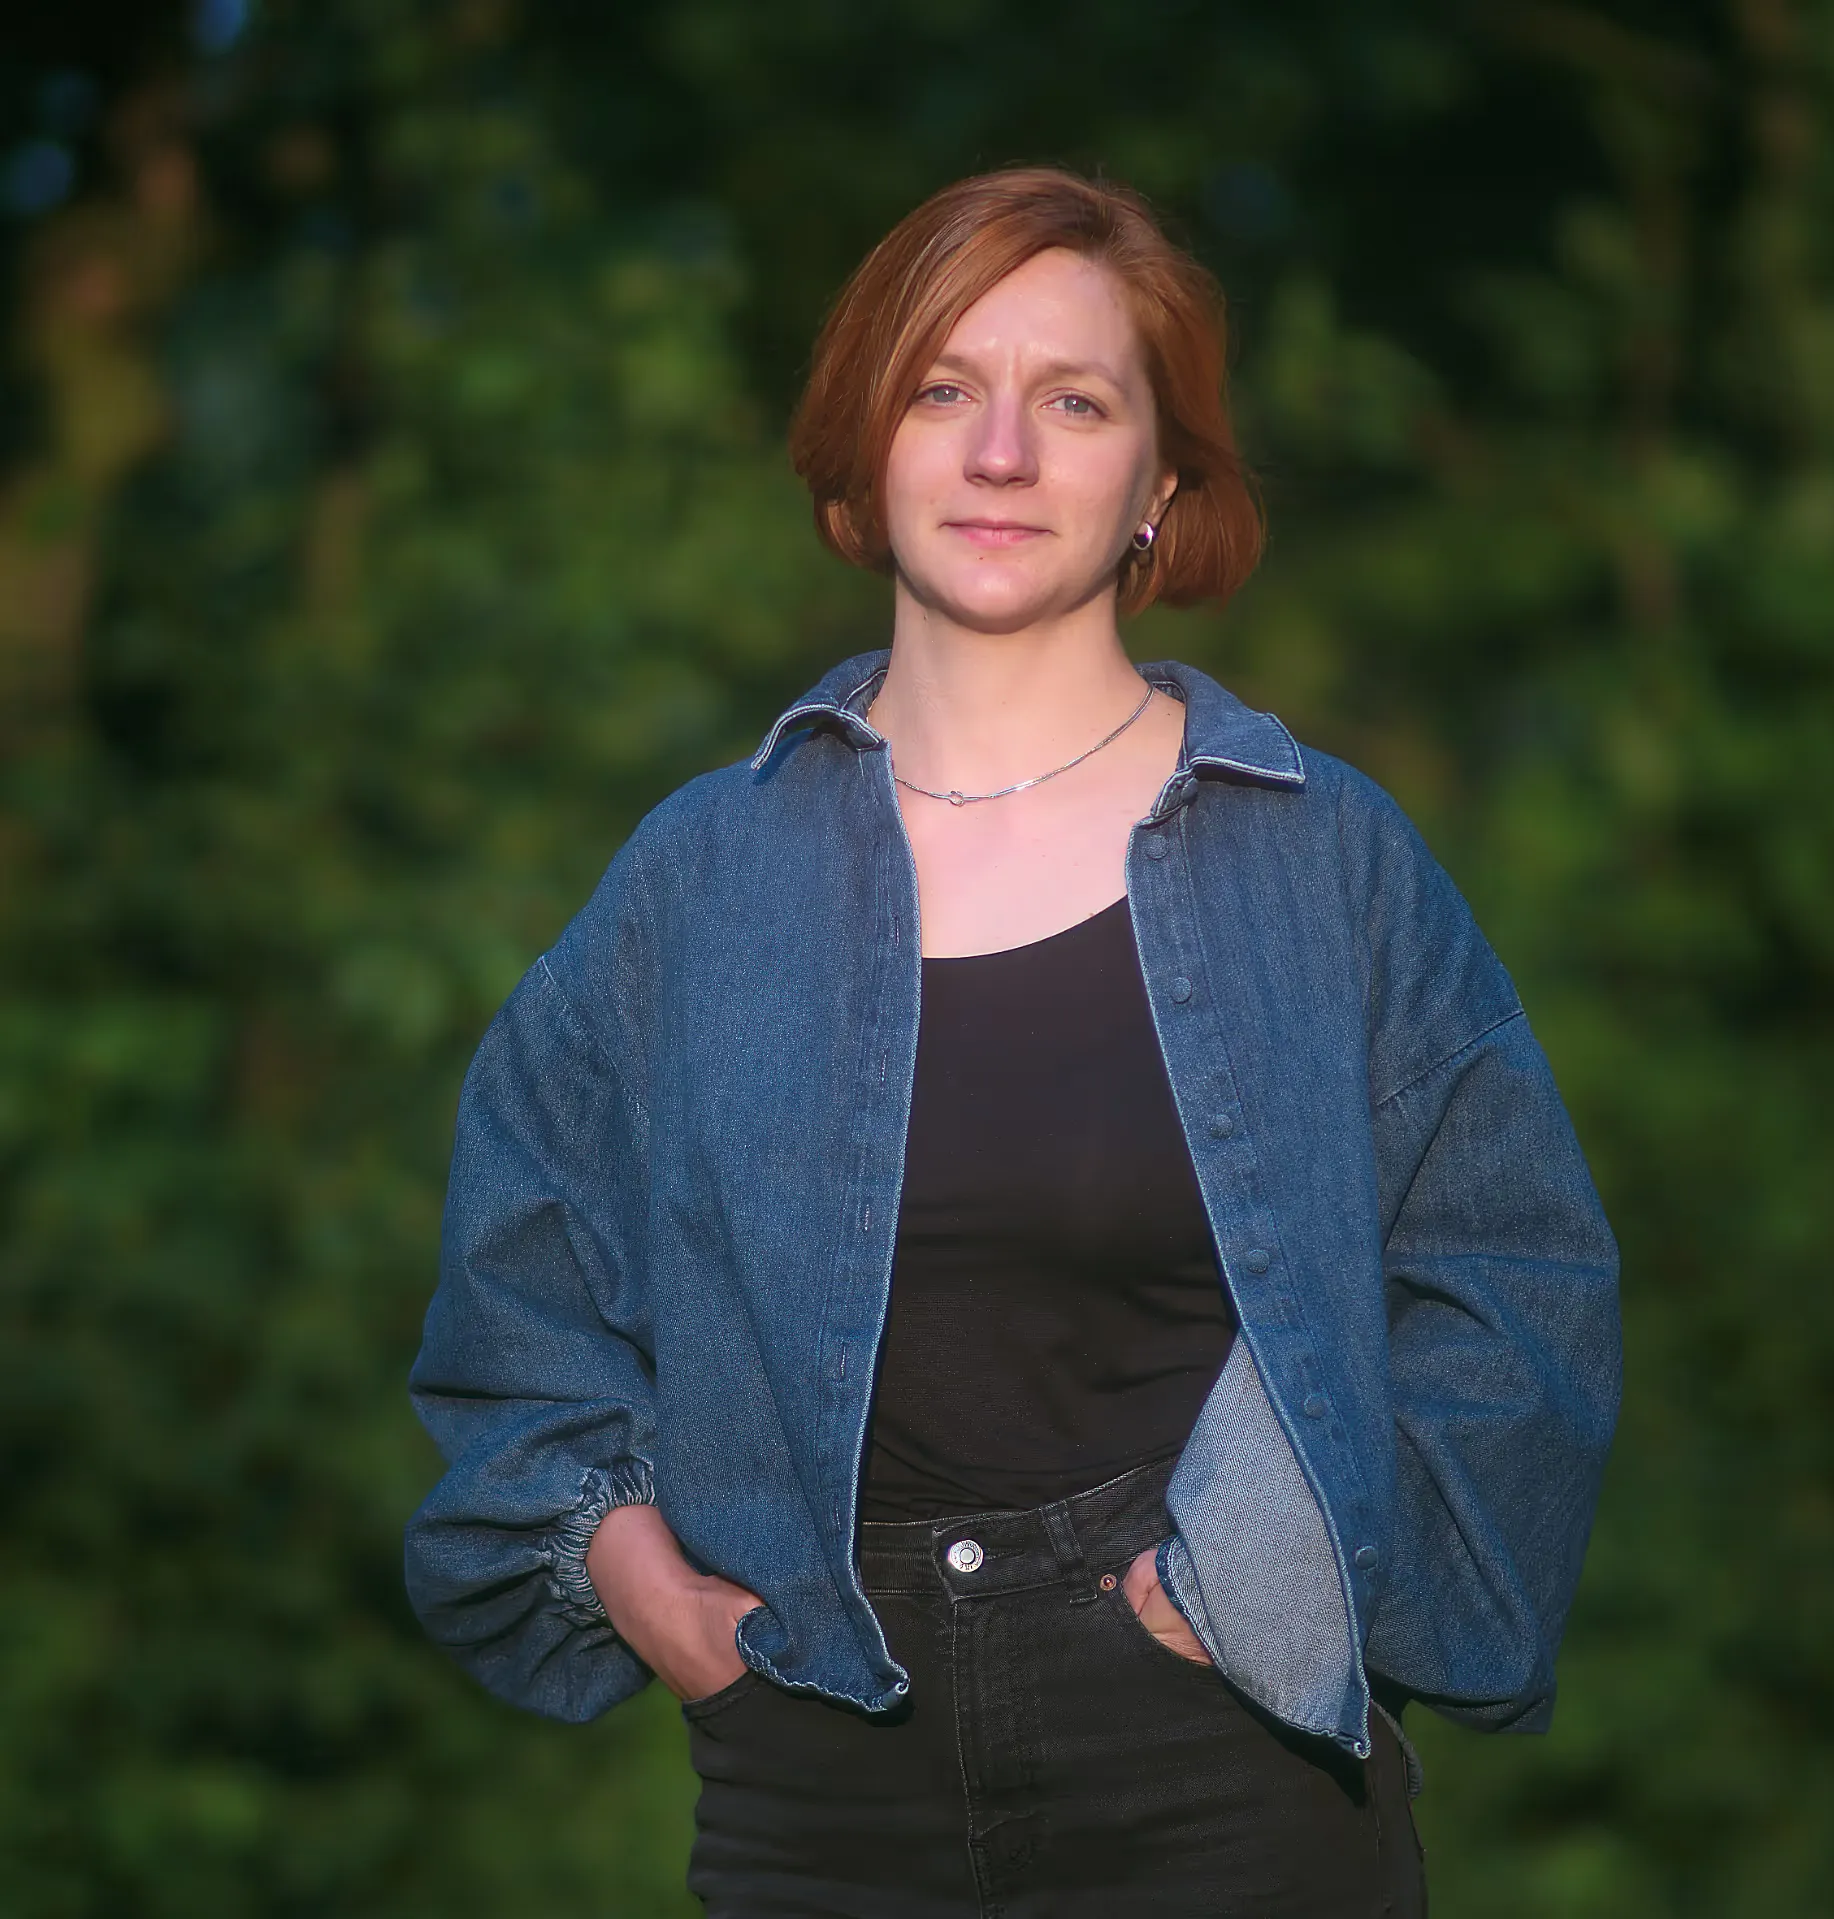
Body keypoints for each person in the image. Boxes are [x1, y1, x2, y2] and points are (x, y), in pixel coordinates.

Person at [405, 168, 1622, 1917]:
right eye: (942, 388)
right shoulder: (698, 878)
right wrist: (645, 1587)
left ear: (1160, 483)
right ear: (865, 443)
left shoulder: (1319, 856)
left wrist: (1287, 1581)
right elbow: (518, 1285)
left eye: (1074, 401)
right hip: (814, 1780)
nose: (1000, 453)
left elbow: (1520, 1276)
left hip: (1224, 1776)